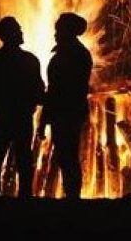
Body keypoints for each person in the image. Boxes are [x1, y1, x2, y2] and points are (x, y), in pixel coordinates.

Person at [0, 17, 44, 198]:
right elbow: (39, 90)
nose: (22, 32)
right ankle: (24, 196)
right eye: (18, 29)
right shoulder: (29, 60)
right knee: (22, 158)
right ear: (9, 34)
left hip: (2, 115)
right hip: (20, 116)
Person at [40, 12, 92, 199]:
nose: (55, 33)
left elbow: (59, 89)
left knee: (68, 155)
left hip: (67, 111)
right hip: (67, 111)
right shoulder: (71, 53)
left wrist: (46, 116)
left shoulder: (73, 55)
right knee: (66, 155)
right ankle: (71, 195)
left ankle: (72, 196)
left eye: (58, 29)